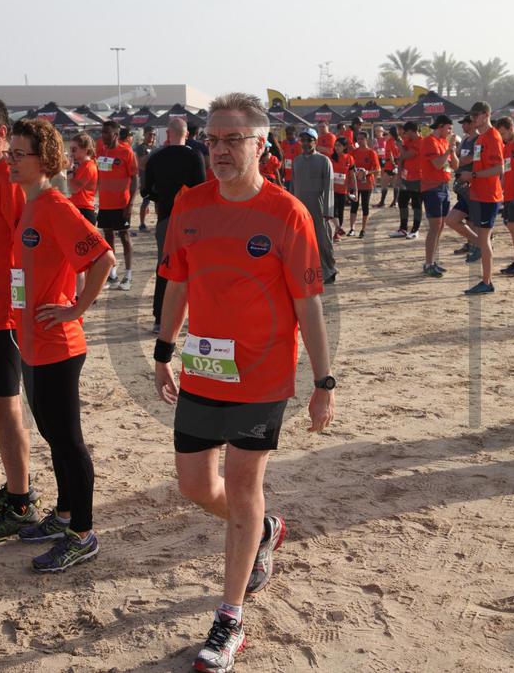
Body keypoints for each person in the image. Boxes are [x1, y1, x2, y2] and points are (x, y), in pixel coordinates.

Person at [153, 92, 335, 673]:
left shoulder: (287, 213)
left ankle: (229, 618)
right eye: (212, 139)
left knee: (242, 483)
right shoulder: (190, 204)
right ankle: (264, 529)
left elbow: (308, 303)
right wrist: (163, 350)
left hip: (262, 376)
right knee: (193, 485)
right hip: (204, 369)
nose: (220, 150)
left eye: (233, 139)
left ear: (261, 145)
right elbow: (177, 282)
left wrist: (323, 380)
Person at [6, 118, 114, 571]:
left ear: (45, 159)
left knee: (68, 442)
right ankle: (65, 515)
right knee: (53, 436)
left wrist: (76, 309)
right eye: (10, 153)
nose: (11, 161)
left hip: (59, 345)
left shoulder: (55, 206)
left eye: (19, 154)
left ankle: (82, 534)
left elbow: (102, 258)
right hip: (32, 342)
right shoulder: (31, 205)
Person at [0, 97, 40, 544]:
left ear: (1, 134)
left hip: (1, 315)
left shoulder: (8, 180)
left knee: (6, 409)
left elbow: (30, 247)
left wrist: (22, 309)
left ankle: (21, 501)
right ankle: (12, 488)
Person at [141, 116, 205, 333]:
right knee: (193, 268)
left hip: (166, 219)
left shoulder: (157, 157)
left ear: (168, 134)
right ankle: (196, 317)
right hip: (191, 221)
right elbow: (202, 189)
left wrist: (161, 196)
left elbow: (145, 190)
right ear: (187, 134)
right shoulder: (194, 156)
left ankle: (160, 318)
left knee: (165, 268)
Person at [457, 102, 504, 294]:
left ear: (486, 115)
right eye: (472, 116)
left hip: (488, 196)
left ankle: (487, 282)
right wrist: (470, 179)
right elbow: (480, 165)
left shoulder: (493, 137)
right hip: (476, 192)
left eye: (476, 116)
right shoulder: (480, 138)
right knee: (452, 220)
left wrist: (473, 175)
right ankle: (481, 247)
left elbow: (499, 169)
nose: (473, 119)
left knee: (484, 240)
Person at [96, 120, 138, 290]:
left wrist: (130, 204)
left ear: (115, 134)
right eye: (102, 132)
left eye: (106, 132)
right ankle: (112, 274)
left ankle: (128, 276)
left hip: (121, 204)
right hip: (104, 204)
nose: (103, 135)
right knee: (108, 238)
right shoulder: (101, 151)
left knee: (124, 237)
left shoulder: (126, 152)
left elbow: (135, 178)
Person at [292, 127, 336, 283]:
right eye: (303, 140)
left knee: (323, 240)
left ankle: (329, 271)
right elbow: (293, 186)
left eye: (309, 140)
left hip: (319, 207)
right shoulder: (297, 161)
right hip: (301, 207)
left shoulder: (324, 161)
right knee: (303, 241)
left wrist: (328, 210)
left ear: (315, 142)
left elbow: (329, 186)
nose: (305, 143)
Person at [420, 114, 458, 277]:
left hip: (443, 186)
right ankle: (428, 263)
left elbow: (454, 166)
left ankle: (432, 261)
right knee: (435, 226)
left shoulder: (443, 142)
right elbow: (437, 164)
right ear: (441, 126)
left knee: (440, 226)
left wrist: (452, 150)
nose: (450, 131)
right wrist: (449, 149)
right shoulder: (429, 141)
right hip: (432, 187)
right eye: (449, 128)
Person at [445, 115, 480, 260]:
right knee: (467, 217)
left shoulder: (478, 139)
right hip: (462, 184)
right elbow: (456, 157)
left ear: (471, 124)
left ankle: (478, 244)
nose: (462, 126)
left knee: (473, 217)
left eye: (464, 123)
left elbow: (471, 158)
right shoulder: (465, 139)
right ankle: (471, 243)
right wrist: (453, 152)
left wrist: (458, 161)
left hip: (472, 184)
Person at [391, 121, 423, 239]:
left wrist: (400, 146)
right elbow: (401, 159)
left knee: (416, 204)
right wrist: (399, 177)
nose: (404, 134)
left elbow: (406, 155)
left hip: (417, 178)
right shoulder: (407, 141)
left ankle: (415, 229)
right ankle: (403, 228)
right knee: (402, 202)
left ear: (411, 131)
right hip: (406, 177)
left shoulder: (421, 142)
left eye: (405, 132)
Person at [347, 130, 380, 238]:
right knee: (354, 205)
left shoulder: (371, 152)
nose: (359, 141)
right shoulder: (353, 152)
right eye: (358, 139)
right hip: (355, 183)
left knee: (365, 206)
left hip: (367, 183)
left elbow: (377, 169)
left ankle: (363, 229)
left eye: (362, 139)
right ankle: (352, 228)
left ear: (367, 139)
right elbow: (349, 166)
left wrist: (367, 172)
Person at [497, 116, 514, 276]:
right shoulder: (507, 147)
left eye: (503, 133)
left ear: (511, 129)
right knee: (511, 227)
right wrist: (499, 190)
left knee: (513, 227)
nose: (502, 137)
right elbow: (505, 173)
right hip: (509, 194)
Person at [68, 132, 98, 225]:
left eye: (74, 149)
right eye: (70, 149)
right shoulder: (81, 166)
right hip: (79, 207)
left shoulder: (88, 166)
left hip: (84, 209)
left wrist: (69, 171)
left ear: (85, 150)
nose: (71, 152)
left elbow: (74, 189)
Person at [331, 137, 357, 240]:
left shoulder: (349, 158)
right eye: (335, 145)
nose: (336, 147)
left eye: (339, 145)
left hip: (343, 190)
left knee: (340, 211)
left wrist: (355, 189)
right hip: (331, 189)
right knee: (333, 210)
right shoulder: (330, 158)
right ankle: (338, 228)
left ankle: (336, 233)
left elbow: (352, 175)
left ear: (344, 147)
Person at [135, 125, 156, 232]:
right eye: (150, 134)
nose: (152, 136)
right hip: (145, 179)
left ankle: (159, 222)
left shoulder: (155, 148)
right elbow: (141, 164)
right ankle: (142, 224)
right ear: (145, 134)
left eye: (153, 134)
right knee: (146, 201)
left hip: (155, 179)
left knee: (157, 202)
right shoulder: (141, 147)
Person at [376, 126, 400, 207]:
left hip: (391, 164)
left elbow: (390, 154)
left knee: (385, 184)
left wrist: (394, 164)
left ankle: (384, 202)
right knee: (394, 184)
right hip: (396, 164)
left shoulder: (391, 141)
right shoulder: (398, 140)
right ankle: (394, 202)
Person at [280, 125, 302, 190]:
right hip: (286, 175)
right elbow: (281, 156)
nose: (289, 136)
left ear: (295, 134)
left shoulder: (299, 145)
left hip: (295, 175)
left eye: (291, 134)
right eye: (287, 134)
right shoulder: (284, 143)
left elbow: (301, 159)